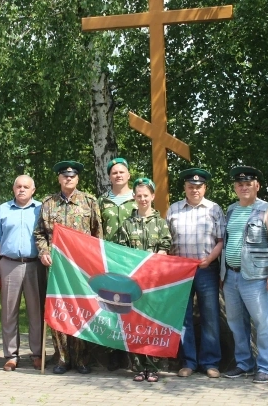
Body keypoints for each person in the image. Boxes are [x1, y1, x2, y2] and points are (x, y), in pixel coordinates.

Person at [34, 160, 102, 374]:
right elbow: (39, 233)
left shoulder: (89, 202)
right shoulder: (48, 203)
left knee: (82, 309)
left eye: (72, 176)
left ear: (78, 178)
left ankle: (82, 359)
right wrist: (44, 251)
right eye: (64, 175)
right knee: (59, 309)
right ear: (59, 178)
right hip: (57, 267)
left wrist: (96, 262)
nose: (68, 178)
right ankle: (62, 359)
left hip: (82, 268)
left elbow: (97, 234)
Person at [221, 166, 268, 384]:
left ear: (256, 186)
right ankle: (244, 364)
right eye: (240, 184)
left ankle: (266, 367)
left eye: (248, 184)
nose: (244, 187)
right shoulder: (230, 210)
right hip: (231, 277)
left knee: (263, 323)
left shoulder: (267, 210)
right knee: (236, 323)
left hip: (257, 277)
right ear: (235, 188)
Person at [166, 168, 225, 379]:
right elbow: (166, 242)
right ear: (185, 187)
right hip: (181, 271)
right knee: (183, 318)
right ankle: (188, 361)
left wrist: (209, 259)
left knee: (210, 316)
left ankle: (211, 362)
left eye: (199, 187)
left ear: (205, 188)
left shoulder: (214, 209)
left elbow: (221, 241)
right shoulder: (173, 209)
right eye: (190, 187)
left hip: (206, 269)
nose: (194, 190)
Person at [115, 177, 171, 383]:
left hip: (154, 283)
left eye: (146, 195)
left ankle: (153, 367)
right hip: (133, 282)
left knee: (153, 324)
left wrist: (152, 268)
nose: (142, 199)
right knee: (135, 324)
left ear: (153, 196)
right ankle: (138, 366)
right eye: (138, 196)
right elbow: (121, 252)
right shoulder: (127, 225)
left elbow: (165, 249)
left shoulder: (161, 223)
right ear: (134, 197)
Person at [0, 175, 45, 371]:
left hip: (34, 265)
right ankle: (11, 355)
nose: (22, 189)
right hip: (9, 265)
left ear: (33, 190)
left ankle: (37, 353)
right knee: (8, 312)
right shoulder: (2, 210)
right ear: (13, 189)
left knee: (36, 312)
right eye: (18, 186)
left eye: (26, 187)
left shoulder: (41, 209)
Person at [97, 157, 135, 370]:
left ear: (128, 175)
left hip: (132, 262)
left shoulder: (138, 198)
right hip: (110, 262)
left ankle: (131, 353)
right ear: (109, 177)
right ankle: (112, 353)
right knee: (111, 306)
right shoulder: (102, 201)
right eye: (114, 173)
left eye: (122, 172)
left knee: (132, 306)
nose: (118, 175)